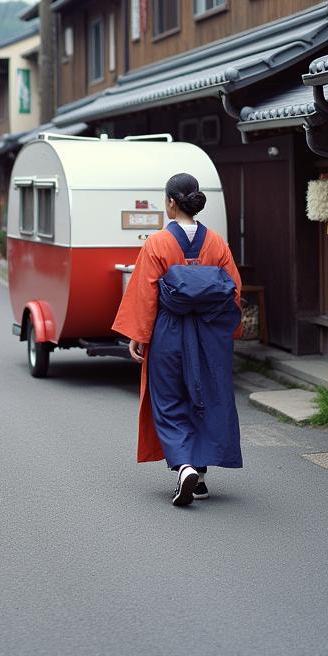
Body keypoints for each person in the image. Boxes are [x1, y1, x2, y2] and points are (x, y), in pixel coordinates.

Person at [113, 173, 243, 508]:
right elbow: (234, 291)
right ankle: (199, 475)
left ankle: (184, 466)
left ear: (171, 202)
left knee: (169, 401)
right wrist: (227, 330)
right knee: (205, 396)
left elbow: (145, 293)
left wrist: (138, 336)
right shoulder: (216, 242)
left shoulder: (157, 243)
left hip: (169, 331)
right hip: (209, 333)